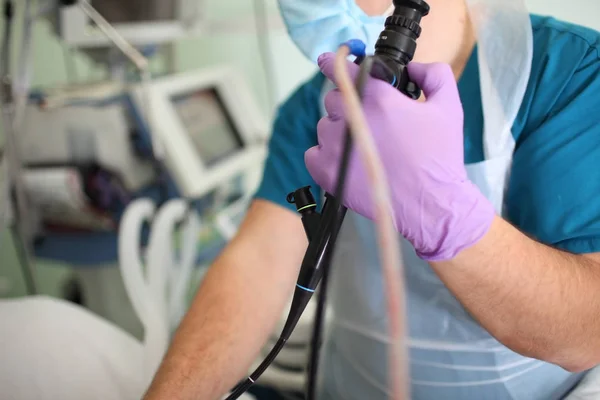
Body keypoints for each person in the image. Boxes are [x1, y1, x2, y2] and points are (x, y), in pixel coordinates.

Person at [143, 0, 600, 398]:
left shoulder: (570, 74)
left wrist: (445, 215)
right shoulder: (317, 106)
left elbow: (585, 333)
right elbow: (256, 266)